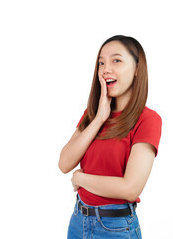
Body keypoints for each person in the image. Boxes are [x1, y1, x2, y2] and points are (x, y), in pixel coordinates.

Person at [59, 35, 162, 239]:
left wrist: (81, 178)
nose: (106, 69)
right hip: (78, 221)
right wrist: (98, 119)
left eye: (116, 60)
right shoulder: (93, 114)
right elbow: (64, 163)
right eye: (101, 63)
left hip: (115, 229)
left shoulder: (148, 119)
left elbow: (130, 188)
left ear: (137, 69)